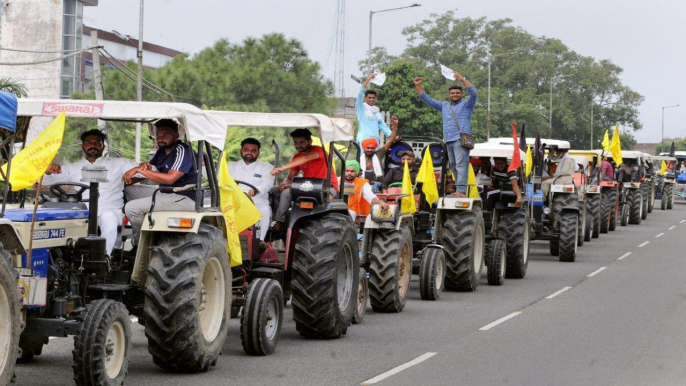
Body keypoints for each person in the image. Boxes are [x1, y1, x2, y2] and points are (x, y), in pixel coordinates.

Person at [43, 129, 139, 255]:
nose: (93, 145)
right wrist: (48, 170)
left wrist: (136, 170)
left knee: (109, 220)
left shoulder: (119, 163)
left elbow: (150, 169)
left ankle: (104, 259)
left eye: (97, 143)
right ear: (83, 146)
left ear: (103, 146)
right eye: (88, 143)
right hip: (82, 211)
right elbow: (45, 180)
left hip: (109, 209)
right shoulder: (74, 167)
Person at [123, 119, 197, 245]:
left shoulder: (182, 151)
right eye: (158, 135)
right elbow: (151, 171)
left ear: (176, 135)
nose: (160, 139)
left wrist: (137, 169)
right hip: (165, 194)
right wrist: (130, 178)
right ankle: (126, 228)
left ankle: (144, 242)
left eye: (165, 135)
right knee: (125, 190)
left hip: (183, 197)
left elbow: (169, 179)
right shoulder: (161, 152)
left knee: (131, 208)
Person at [413, 70, 477, 197]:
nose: (454, 95)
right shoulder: (444, 105)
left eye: (457, 93)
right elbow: (427, 100)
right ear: (449, 94)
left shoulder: (466, 105)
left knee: (461, 165)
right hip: (448, 140)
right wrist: (417, 85)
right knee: (453, 166)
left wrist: (462, 78)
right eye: (452, 93)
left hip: (460, 139)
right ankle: (459, 189)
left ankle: (461, 191)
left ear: (462, 94)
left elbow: (474, 93)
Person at [269, 128, 339, 228]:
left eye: (302, 142)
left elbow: (305, 158)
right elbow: (289, 177)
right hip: (306, 188)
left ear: (309, 141)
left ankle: (280, 222)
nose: (298, 145)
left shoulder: (319, 151)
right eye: (296, 142)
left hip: (326, 187)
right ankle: (274, 219)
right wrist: (285, 184)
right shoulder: (297, 156)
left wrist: (281, 168)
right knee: (274, 190)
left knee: (285, 194)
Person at [228, 138, 274, 240]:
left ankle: (260, 241)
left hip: (257, 201)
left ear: (258, 153)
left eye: (253, 150)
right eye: (246, 149)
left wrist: (257, 189)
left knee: (264, 210)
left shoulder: (266, 167)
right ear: (241, 151)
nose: (249, 152)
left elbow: (268, 182)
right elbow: (215, 177)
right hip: (234, 201)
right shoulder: (230, 166)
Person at [361, 116, 399, 192]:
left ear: (375, 148)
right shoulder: (359, 157)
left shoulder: (378, 154)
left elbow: (391, 140)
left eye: (372, 148)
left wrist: (395, 126)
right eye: (368, 148)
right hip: (363, 183)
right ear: (364, 148)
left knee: (373, 187)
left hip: (378, 183)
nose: (370, 150)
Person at [356, 73, 393, 145]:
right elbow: (360, 94)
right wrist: (368, 79)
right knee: (363, 157)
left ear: (376, 98)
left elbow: (383, 126)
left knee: (376, 156)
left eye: (373, 98)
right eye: (369, 97)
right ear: (365, 98)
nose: (371, 99)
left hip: (375, 140)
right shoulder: (361, 107)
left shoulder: (376, 111)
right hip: (364, 139)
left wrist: (393, 136)